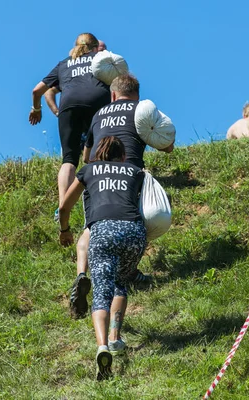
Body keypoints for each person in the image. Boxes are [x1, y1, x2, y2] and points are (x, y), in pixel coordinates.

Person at [68, 74, 174, 319]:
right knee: (132, 222)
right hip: (131, 175)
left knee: (91, 227)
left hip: (96, 177)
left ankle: (82, 274)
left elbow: (86, 157)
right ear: (136, 93)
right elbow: (166, 144)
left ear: (113, 94)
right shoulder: (141, 111)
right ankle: (129, 271)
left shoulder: (99, 113)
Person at [59, 136, 147, 380]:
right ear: (122, 157)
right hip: (135, 233)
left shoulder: (89, 170)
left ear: (98, 153)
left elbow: (65, 207)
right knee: (121, 280)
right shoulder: (136, 171)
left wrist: (65, 230)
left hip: (104, 232)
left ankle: (102, 347)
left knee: (102, 293)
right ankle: (115, 339)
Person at [29, 33, 111, 218]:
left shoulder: (63, 64)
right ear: (95, 47)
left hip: (69, 107)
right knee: (102, 151)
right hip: (96, 103)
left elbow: (37, 90)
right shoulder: (101, 58)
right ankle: (103, 197)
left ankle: (62, 207)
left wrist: (36, 109)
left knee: (69, 160)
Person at [44, 40, 108, 117]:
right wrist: (57, 112)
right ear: (92, 49)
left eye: (105, 50)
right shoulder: (70, 69)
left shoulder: (107, 67)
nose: (104, 53)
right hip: (84, 112)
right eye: (101, 50)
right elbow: (49, 91)